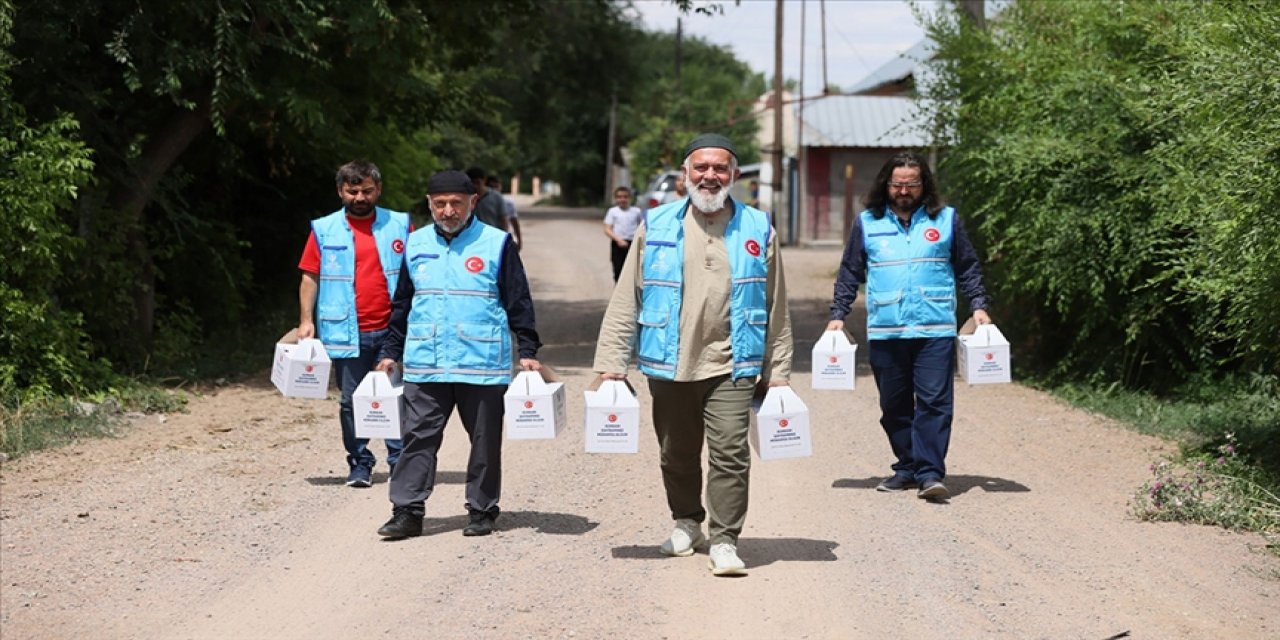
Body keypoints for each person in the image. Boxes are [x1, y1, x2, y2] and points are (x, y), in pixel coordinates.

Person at [593, 133, 793, 576]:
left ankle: (725, 540)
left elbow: (776, 302)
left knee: (730, 453)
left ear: (734, 176)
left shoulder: (758, 227)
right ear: (685, 175)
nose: (709, 176)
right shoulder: (657, 223)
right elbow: (629, 296)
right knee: (676, 453)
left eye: (719, 168)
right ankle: (688, 523)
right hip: (669, 361)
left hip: (734, 361)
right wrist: (612, 363)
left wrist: (777, 370)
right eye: (700, 168)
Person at [374, 170, 542, 539]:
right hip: (425, 361)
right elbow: (401, 304)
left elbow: (518, 299)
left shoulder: (497, 243)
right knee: (417, 438)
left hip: (481, 364)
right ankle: (407, 511)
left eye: (456, 203)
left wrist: (527, 348)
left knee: (484, 440)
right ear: (429, 204)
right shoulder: (415, 244)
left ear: (472, 203)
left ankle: (482, 509)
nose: (448, 210)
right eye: (440, 204)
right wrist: (390, 351)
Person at [827, 151, 992, 502]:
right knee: (894, 405)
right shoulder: (867, 223)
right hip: (887, 330)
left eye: (911, 184)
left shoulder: (946, 220)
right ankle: (907, 466)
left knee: (934, 402)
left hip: (935, 329)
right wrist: (838, 314)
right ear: (886, 184)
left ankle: (930, 472)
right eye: (897, 184)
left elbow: (967, 266)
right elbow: (850, 272)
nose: (904, 191)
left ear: (924, 185)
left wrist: (978, 306)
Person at [296, 161, 408, 488]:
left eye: (367, 190)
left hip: (393, 330)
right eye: (352, 191)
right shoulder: (324, 229)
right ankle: (359, 462)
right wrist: (305, 320)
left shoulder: (400, 225)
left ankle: (399, 461)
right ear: (340, 192)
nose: (360, 197)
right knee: (349, 402)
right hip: (345, 331)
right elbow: (310, 275)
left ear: (378, 190)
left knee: (395, 396)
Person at [602, 186, 642, 282]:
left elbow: (642, 227)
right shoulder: (613, 212)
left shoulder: (636, 211)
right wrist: (618, 240)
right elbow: (607, 228)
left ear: (629, 198)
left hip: (632, 244)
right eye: (619, 197)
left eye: (625, 197)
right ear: (616, 198)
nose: (622, 199)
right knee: (618, 270)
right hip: (618, 243)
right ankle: (618, 293)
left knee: (633, 271)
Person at [466, 167, 509, 233]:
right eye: (472, 183)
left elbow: (503, 219)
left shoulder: (496, 197)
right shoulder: (465, 198)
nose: (475, 186)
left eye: (477, 182)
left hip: (492, 236)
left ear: (484, 180)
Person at [486, 175, 523, 251]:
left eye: (496, 187)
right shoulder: (482, 203)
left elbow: (514, 222)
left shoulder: (508, 203)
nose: (495, 190)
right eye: (491, 187)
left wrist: (519, 240)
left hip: (501, 237)